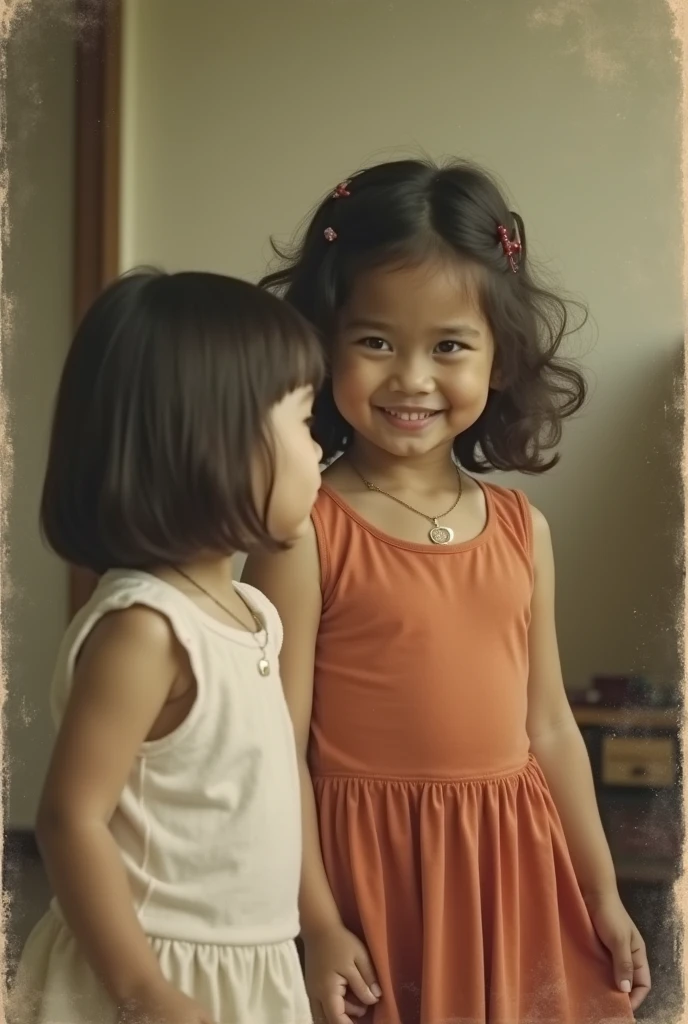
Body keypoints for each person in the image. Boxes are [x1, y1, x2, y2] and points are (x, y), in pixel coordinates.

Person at [243, 159, 651, 1024]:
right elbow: (273, 752)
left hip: (509, 859)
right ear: (323, 342)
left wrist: (603, 893)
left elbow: (548, 727)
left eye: (450, 346)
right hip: (368, 869)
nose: (413, 379)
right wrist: (314, 922)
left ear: (500, 354)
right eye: (376, 341)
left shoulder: (521, 529)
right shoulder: (304, 530)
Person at [11, 270, 324, 1024]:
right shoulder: (148, 630)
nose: (319, 454)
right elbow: (69, 818)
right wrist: (142, 989)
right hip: (152, 963)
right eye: (307, 425)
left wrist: (321, 926)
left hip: (252, 958)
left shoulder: (250, 612)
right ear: (215, 446)